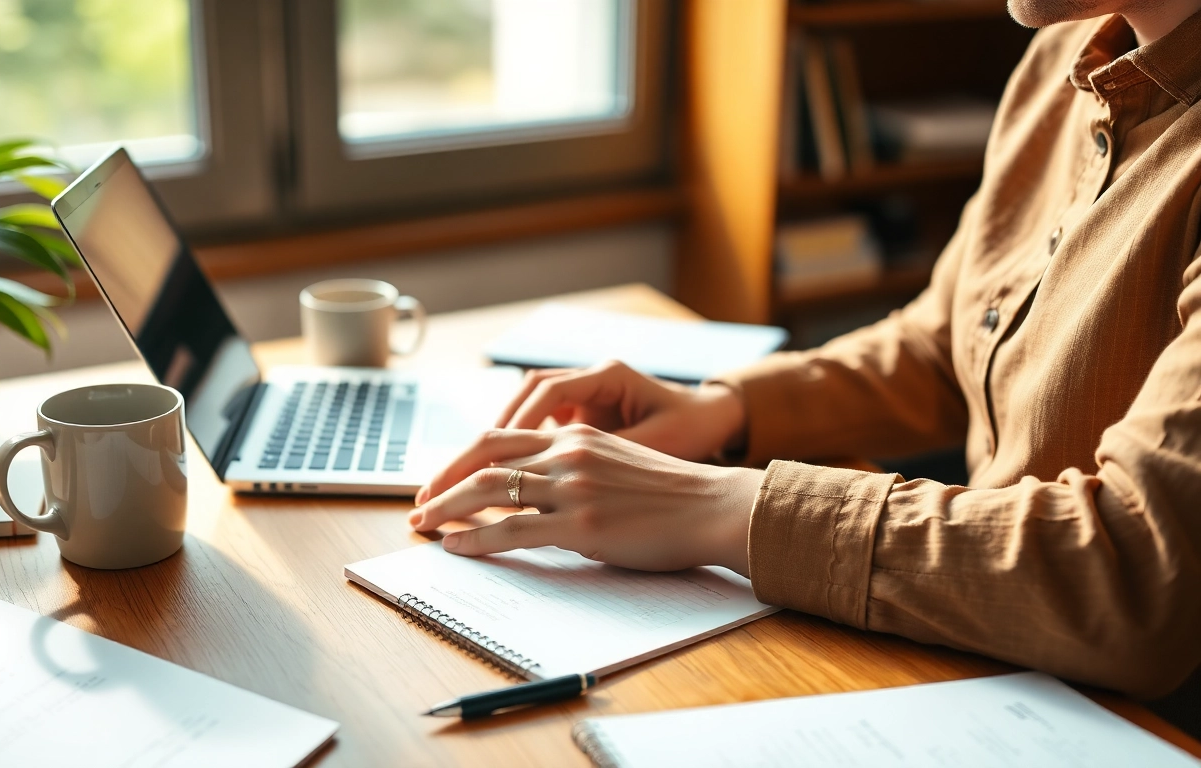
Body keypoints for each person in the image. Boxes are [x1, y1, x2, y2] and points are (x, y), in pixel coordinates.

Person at [408, 2, 1201, 700]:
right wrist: (722, 410)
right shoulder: (1065, 57)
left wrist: (720, 505)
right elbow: (945, 343)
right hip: (995, 663)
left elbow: (1137, 573)